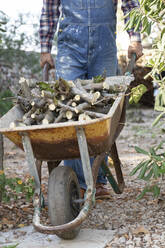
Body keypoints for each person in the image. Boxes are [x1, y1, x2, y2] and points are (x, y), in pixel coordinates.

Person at [39, 0, 143, 198]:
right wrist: (45, 49)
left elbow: (130, 5)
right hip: (69, 51)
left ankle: (97, 178)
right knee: (70, 111)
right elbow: (49, 10)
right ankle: (78, 181)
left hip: (104, 49)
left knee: (101, 111)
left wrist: (135, 39)